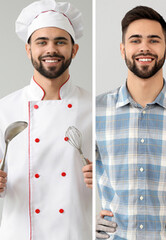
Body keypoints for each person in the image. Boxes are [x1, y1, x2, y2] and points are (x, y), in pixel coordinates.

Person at [0, 0, 92, 239]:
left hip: (76, 232)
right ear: (28, 50)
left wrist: (104, 177)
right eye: (42, 42)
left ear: (74, 50)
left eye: (60, 41)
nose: (51, 49)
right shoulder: (4, 109)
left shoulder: (97, 109)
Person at [93, 6, 166, 239]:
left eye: (153, 40)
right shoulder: (95, 110)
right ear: (123, 49)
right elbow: (71, 175)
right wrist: (87, 220)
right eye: (135, 40)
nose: (144, 47)